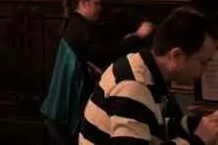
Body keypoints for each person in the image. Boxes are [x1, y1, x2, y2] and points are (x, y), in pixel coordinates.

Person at [80, 8, 218, 145]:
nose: (205, 70)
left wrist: (199, 124)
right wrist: (198, 140)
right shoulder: (133, 86)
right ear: (177, 55)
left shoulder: (145, 67)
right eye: (203, 62)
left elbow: (154, 125)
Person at [64, 0, 154, 69]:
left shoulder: (76, 24)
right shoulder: (81, 29)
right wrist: (138, 36)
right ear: (83, 3)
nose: (100, 8)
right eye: (96, 3)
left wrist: (131, 37)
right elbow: (108, 54)